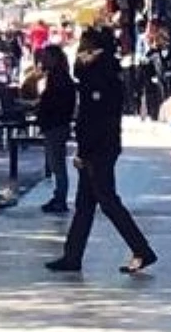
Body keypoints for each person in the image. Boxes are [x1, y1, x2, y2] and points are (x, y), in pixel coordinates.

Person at [46, 29, 157, 277]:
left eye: (84, 47)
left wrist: (84, 150)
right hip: (101, 146)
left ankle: (141, 249)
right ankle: (72, 255)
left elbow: (94, 118)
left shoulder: (98, 77)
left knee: (107, 201)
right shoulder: (99, 74)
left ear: (94, 49)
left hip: (98, 149)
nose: (79, 53)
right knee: (85, 204)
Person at [35, 44, 76, 215]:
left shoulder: (58, 78)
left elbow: (56, 102)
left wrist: (44, 109)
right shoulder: (59, 77)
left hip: (55, 125)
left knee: (57, 163)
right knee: (55, 163)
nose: (43, 60)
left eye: (46, 57)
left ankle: (60, 198)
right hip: (57, 124)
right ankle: (59, 196)